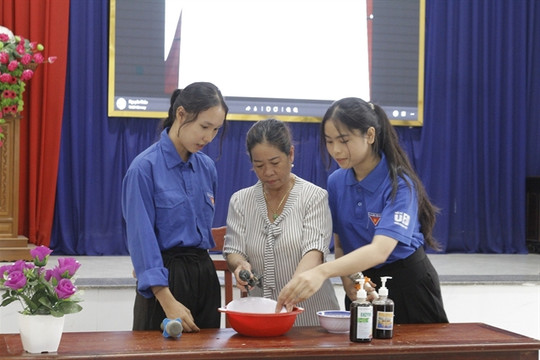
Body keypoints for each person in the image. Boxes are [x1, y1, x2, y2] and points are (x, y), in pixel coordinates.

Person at [276, 98, 448, 325]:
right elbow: (340, 242)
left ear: (369, 135)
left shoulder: (400, 184)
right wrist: (350, 279)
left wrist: (322, 272)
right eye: (329, 141)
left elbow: (380, 251)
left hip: (408, 285)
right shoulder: (337, 181)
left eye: (344, 140)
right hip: (363, 286)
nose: (335, 150)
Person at [122, 82, 229, 332]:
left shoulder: (206, 167)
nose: (208, 137)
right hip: (165, 283)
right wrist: (167, 300)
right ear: (181, 114)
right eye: (204, 127)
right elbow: (142, 241)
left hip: (204, 275)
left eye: (216, 130)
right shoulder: (144, 169)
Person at [223, 118, 340, 326]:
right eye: (259, 165)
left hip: (310, 320)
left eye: (275, 163)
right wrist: (240, 265)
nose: (268, 172)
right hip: (261, 319)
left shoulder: (314, 197)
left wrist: (294, 288)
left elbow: (314, 251)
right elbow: (233, 249)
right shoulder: (240, 200)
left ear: (291, 154)